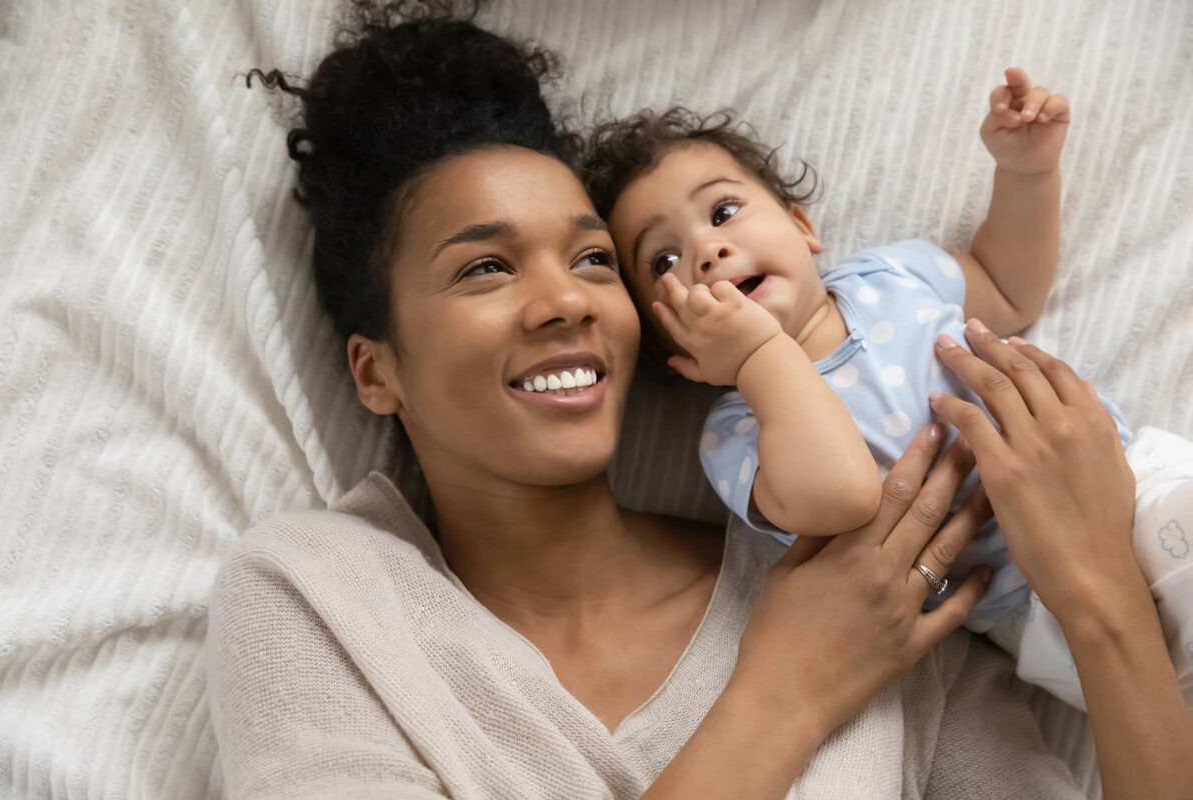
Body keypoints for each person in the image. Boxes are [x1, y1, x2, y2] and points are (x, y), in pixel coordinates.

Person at [207, 3, 1193, 798]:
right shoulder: (322, 600)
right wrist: (784, 694)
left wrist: (1098, 583)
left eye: (594, 260)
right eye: (484, 269)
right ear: (375, 369)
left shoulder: (875, 563)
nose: (565, 301)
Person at [582, 87, 1193, 709]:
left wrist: (1026, 173)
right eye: (665, 258)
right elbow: (843, 498)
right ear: (671, 350)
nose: (707, 252)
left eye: (722, 212)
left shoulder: (888, 276)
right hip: (1036, 609)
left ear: (801, 225)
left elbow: (1010, 288)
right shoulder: (736, 431)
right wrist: (757, 359)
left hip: (1129, 482)